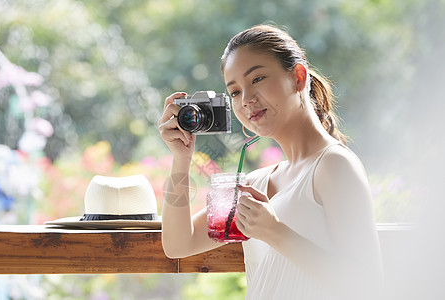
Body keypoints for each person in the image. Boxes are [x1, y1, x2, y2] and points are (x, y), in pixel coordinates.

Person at [158, 24, 383, 300]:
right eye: (235, 92)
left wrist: (276, 232)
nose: (247, 100)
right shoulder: (254, 183)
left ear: (298, 77)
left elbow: (368, 285)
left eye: (257, 79)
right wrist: (181, 158)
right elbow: (178, 243)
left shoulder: (334, 166)